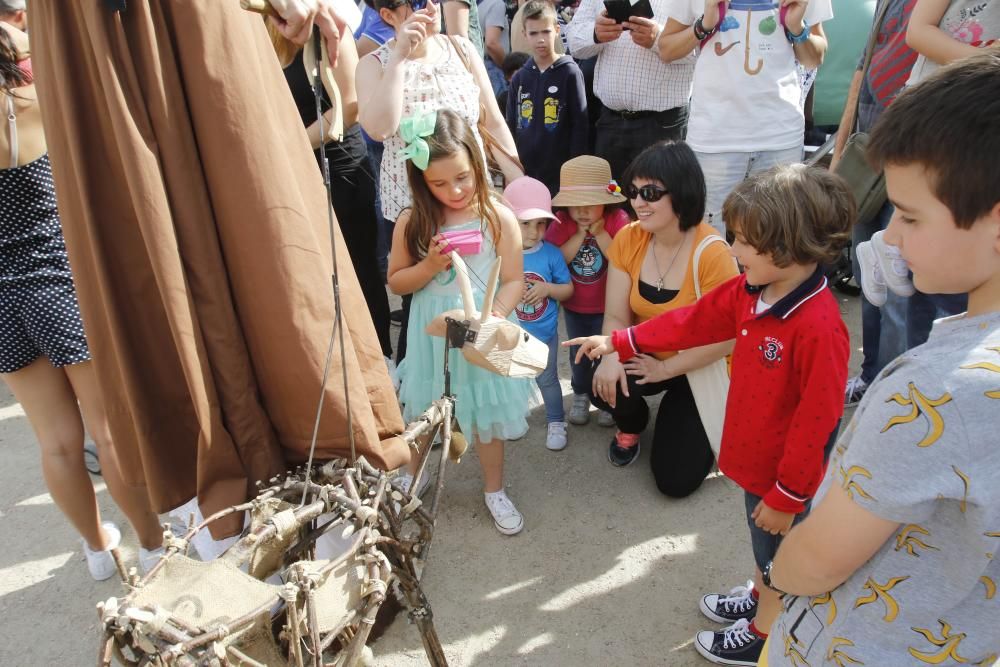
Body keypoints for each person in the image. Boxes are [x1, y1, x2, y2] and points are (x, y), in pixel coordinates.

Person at [763, 52, 1000, 667]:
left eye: (911, 216)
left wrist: (776, 577)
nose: (888, 236)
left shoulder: (935, 392)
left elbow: (818, 558)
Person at [567, 164, 853, 665]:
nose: (734, 251)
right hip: (752, 457)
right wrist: (619, 339)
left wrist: (788, 496)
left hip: (781, 479)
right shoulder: (755, 290)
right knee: (763, 545)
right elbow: (693, 321)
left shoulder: (819, 326)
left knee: (778, 554)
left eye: (743, 242)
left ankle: (769, 629)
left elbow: (817, 423)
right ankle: (766, 591)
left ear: (785, 247)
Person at [0, 21, 163, 579]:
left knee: (57, 441)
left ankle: (97, 550)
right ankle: (152, 543)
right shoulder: (37, 102)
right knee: (106, 428)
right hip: (54, 279)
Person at [388, 110, 535, 535]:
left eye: (463, 177)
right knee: (423, 411)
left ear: (476, 163)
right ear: (421, 180)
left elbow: (513, 279)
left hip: (479, 332)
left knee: (486, 412)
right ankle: (412, 479)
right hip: (430, 335)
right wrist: (430, 265)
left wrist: (494, 319)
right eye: (439, 183)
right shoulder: (412, 221)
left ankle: (494, 489)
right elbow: (397, 281)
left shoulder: (497, 216)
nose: (454, 190)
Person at [356, 0, 521, 362]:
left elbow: (492, 121)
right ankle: (422, 392)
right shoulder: (374, 65)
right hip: (415, 210)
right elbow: (379, 127)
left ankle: (473, 380)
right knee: (423, 304)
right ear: (388, 14)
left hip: (472, 198)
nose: (429, 8)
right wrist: (399, 56)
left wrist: (519, 180)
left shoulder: (461, 48)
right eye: (414, 3)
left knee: (477, 291)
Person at [588, 141, 738, 482]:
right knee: (594, 376)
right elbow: (615, 315)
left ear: (681, 192)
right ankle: (633, 424)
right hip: (645, 350)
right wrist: (612, 357)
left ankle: (684, 412)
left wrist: (666, 369)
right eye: (633, 191)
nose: (638, 202)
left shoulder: (713, 252)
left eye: (651, 192)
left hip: (698, 362)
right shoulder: (629, 237)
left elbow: (726, 339)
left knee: (675, 480)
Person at [273, 19, 395, 369]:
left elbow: (350, 106)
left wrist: (290, 142)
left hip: (342, 172)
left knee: (358, 269)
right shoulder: (264, 34)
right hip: (292, 170)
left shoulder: (329, 32)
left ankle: (380, 358)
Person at [658, 0, 832, 237]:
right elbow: (667, 49)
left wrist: (797, 28)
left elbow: (814, 58)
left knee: (776, 240)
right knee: (707, 243)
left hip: (779, 135)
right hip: (714, 138)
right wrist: (704, 25)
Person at [835, 0, 918, 407]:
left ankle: (897, 395)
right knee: (869, 274)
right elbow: (862, 74)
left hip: (920, 158)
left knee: (904, 290)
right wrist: (838, 158)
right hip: (868, 157)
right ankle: (871, 377)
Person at [565, 0, 694, 182]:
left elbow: (699, 50)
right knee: (612, 206)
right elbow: (574, 43)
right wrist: (595, 33)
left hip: (662, 126)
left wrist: (658, 39)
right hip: (610, 123)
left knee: (661, 201)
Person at [545, 155, 629, 428]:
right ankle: (580, 394)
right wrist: (580, 235)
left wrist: (602, 233)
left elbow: (622, 259)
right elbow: (557, 260)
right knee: (579, 355)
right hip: (575, 305)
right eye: (575, 205)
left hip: (610, 307)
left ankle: (606, 398)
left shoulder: (618, 220)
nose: (582, 211)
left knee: (609, 353)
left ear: (606, 201)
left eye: (590, 204)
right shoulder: (561, 222)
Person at [503, 177, 574, 450]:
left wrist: (547, 289)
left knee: (548, 379)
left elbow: (567, 290)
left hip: (544, 336)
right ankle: (516, 415)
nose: (534, 232)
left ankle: (556, 421)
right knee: (512, 380)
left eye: (541, 224)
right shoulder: (501, 252)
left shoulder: (552, 254)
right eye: (526, 223)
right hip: (510, 337)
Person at [505, 1, 588, 195]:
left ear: (557, 30)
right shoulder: (519, 78)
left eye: (546, 32)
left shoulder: (570, 72)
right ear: (525, 35)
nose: (540, 39)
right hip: (526, 173)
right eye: (534, 33)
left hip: (561, 175)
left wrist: (574, 172)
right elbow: (510, 125)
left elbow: (580, 126)